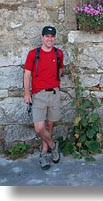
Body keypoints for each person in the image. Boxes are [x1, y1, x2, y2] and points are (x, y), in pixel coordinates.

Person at [24, 26, 64, 170]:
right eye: (47, 36)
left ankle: (44, 155)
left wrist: (55, 84)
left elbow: (60, 70)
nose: (49, 39)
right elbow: (27, 74)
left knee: (49, 125)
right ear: (42, 38)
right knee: (39, 127)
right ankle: (54, 145)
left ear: (55, 38)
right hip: (38, 94)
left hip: (53, 93)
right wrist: (27, 93)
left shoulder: (59, 53)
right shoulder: (33, 54)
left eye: (52, 36)